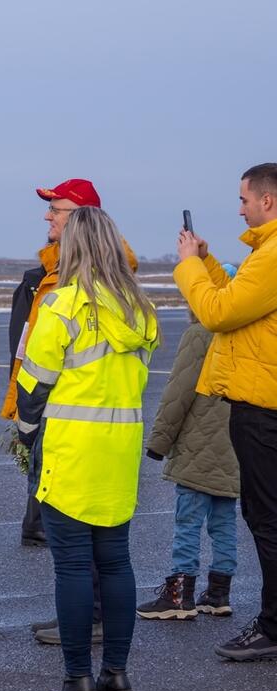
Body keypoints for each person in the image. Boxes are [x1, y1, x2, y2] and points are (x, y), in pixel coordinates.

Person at [16, 207, 159, 691]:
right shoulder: (141, 310)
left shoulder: (62, 306)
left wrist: (26, 436)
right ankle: (116, 679)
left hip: (71, 452)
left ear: (72, 249)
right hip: (119, 452)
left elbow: (32, 385)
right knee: (116, 562)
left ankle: (77, 681)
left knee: (74, 567)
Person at [175, 162, 277, 662]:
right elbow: (235, 301)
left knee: (267, 518)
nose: (240, 209)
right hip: (263, 402)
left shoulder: (273, 254)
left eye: (244, 199)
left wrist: (188, 266)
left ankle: (274, 626)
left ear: (267, 201)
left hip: (263, 409)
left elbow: (216, 313)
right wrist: (209, 263)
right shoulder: (264, 254)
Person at [2, 179, 105, 549]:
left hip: (78, 410)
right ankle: (38, 521)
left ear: (80, 218)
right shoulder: (40, 277)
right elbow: (23, 347)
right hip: (48, 406)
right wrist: (21, 403)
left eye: (55, 209)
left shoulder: (99, 280)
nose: (47, 216)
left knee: (80, 543)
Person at [136, 308, 238, 621]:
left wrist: (159, 442)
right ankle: (219, 593)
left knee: (188, 522)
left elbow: (178, 392)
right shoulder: (247, 334)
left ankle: (179, 595)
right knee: (225, 522)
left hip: (198, 445)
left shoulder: (200, 334)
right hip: (236, 445)